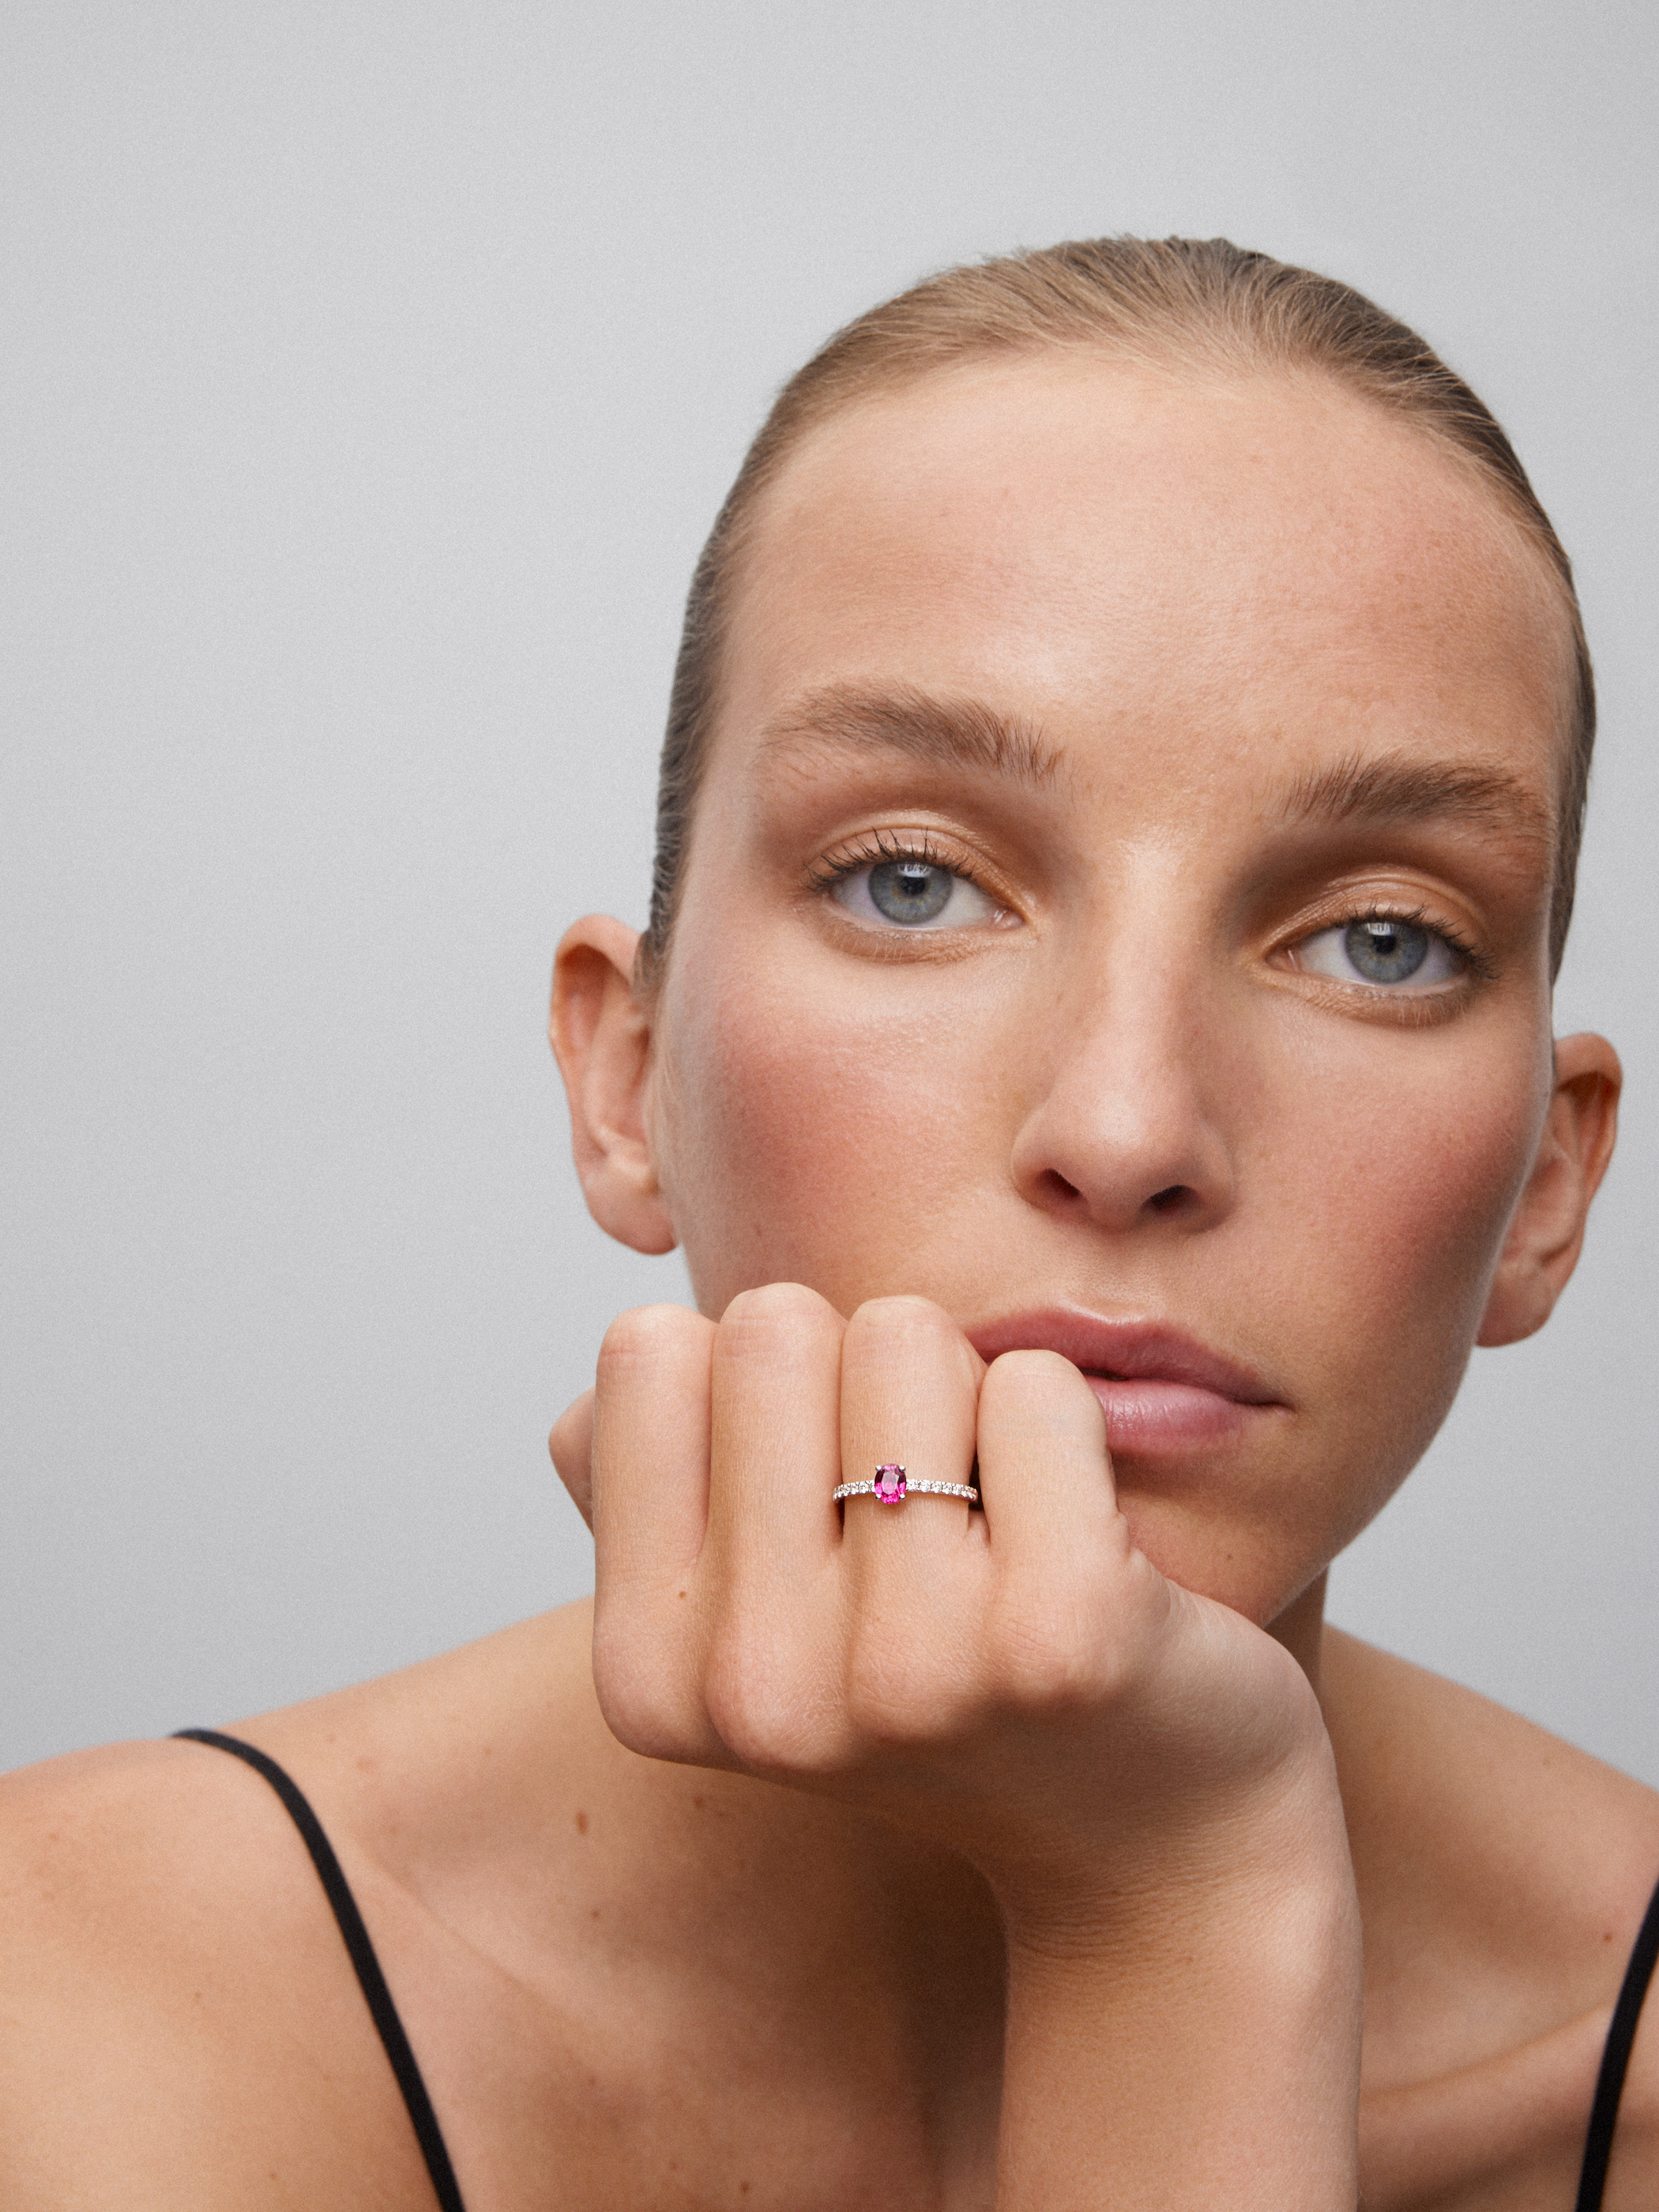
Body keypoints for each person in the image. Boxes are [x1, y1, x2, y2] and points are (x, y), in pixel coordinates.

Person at [0, 235, 1649, 2209]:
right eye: (913, 884)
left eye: (1382, 938)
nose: (1126, 1129)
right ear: (626, 1079)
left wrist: (1179, 1906)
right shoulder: (67, 2011)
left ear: (1547, 1186)